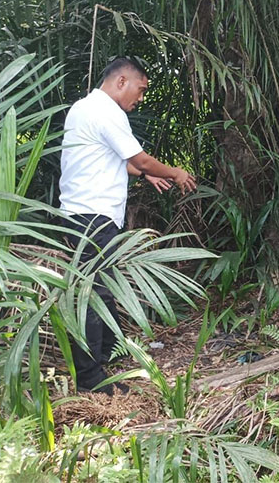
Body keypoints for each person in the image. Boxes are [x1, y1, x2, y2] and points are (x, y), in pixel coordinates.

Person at [59, 57, 197, 394]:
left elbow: (110, 158)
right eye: (141, 89)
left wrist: (145, 174)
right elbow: (139, 159)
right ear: (122, 81)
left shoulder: (83, 107)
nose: (141, 97)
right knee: (90, 298)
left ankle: (107, 354)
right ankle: (91, 381)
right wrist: (175, 172)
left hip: (81, 217)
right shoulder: (107, 111)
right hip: (93, 220)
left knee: (99, 290)